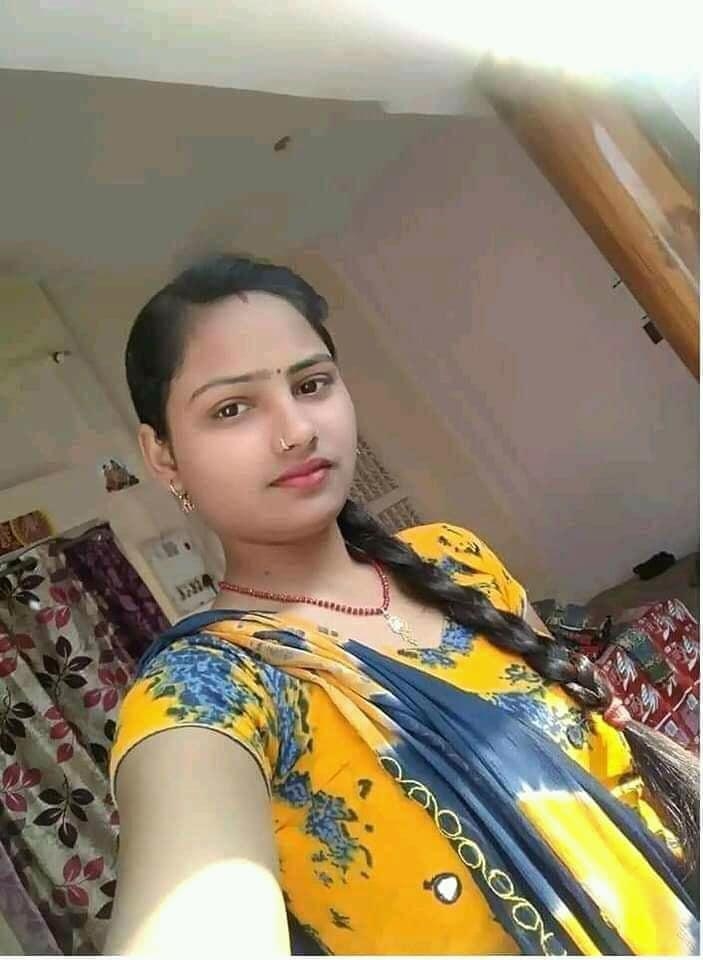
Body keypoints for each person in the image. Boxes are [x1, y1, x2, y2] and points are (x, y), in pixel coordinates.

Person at [105, 254, 698, 956]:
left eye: (311, 384)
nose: (295, 430)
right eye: (231, 408)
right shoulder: (209, 690)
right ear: (163, 455)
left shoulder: (454, 557)